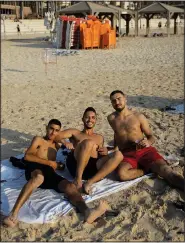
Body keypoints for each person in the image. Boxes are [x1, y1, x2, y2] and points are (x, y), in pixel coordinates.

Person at [3, 119, 109, 228]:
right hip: (35, 167)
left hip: (49, 173)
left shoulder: (57, 146)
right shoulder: (38, 140)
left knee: (70, 186)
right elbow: (27, 156)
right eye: (51, 129)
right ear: (46, 128)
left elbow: (68, 155)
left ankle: (87, 212)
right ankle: (13, 214)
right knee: (39, 178)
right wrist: (50, 163)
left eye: (56, 130)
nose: (53, 132)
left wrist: (59, 165)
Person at [106, 90, 184, 191]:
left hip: (144, 151)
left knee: (166, 171)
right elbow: (116, 133)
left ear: (125, 98)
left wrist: (148, 142)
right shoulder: (111, 118)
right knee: (122, 175)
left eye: (119, 99)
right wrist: (115, 148)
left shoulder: (138, 116)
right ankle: (146, 170)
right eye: (113, 101)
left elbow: (151, 136)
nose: (116, 102)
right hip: (127, 154)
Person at [55, 107, 123, 192]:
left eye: (93, 117)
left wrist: (105, 151)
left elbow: (101, 156)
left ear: (95, 120)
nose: (90, 120)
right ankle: (78, 180)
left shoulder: (99, 137)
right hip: (76, 165)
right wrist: (65, 143)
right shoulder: (75, 132)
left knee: (118, 155)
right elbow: (56, 136)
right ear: (83, 119)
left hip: (92, 168)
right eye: (87, 117)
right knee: (88, 143)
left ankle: (90, 182)